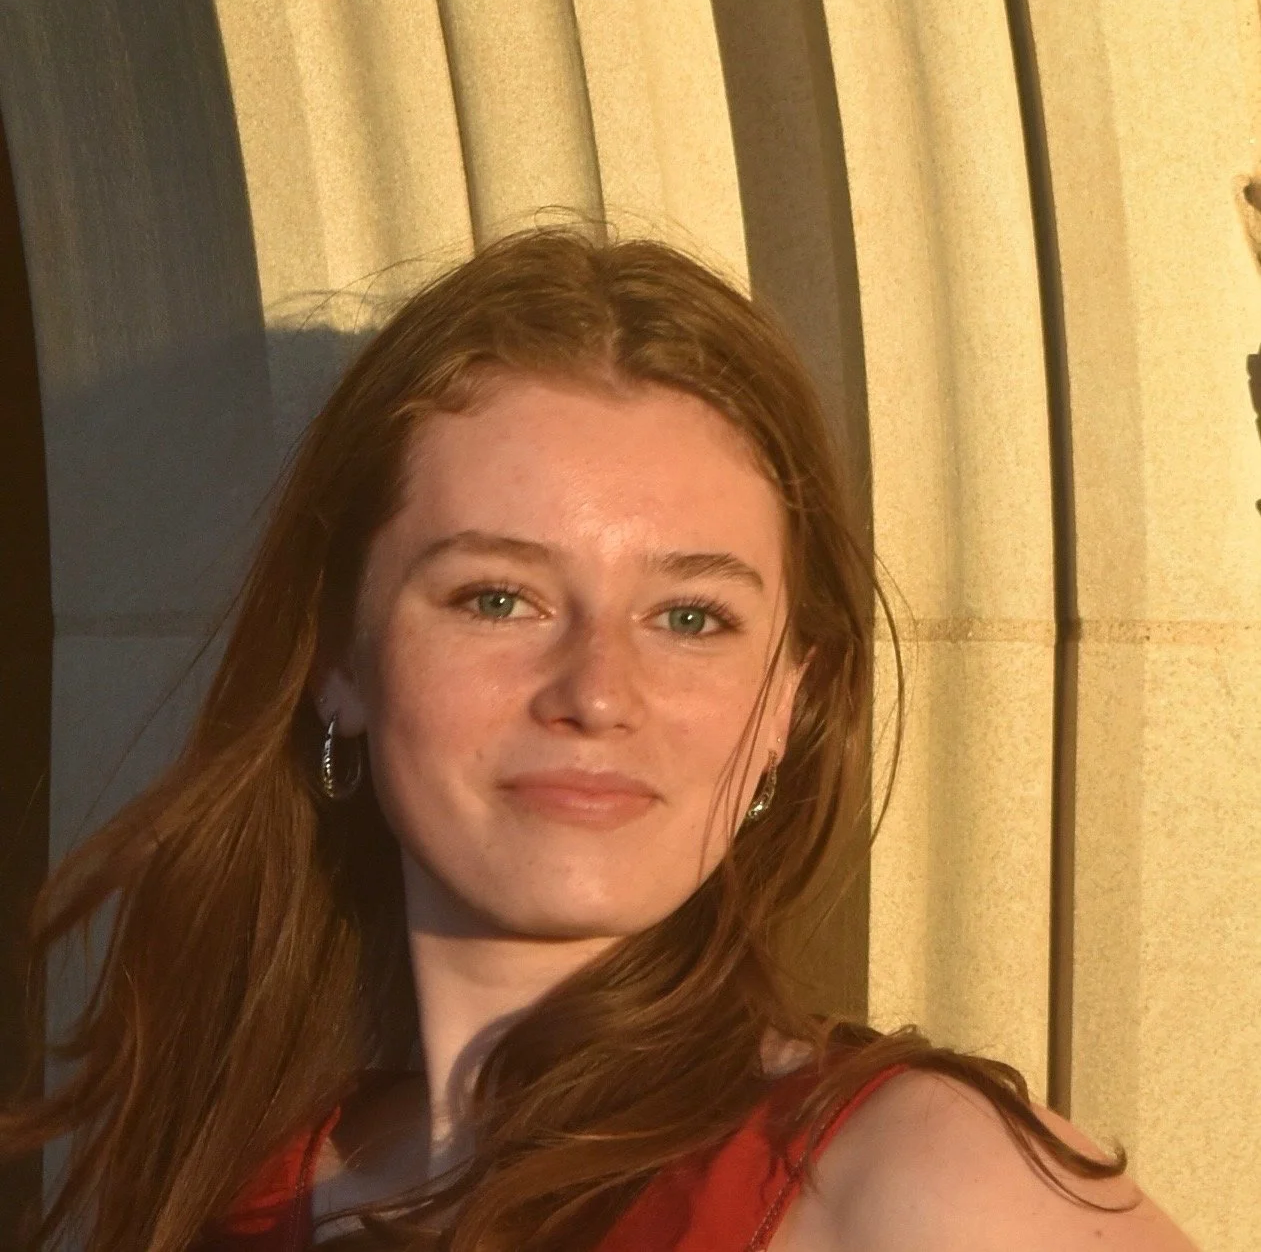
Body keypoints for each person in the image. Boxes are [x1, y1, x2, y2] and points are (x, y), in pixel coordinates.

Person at [1, 228, 1197, 1251]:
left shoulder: (916, 1182)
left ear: (784, 700)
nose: (597, 691)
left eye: (690, 616)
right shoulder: (234, 1177)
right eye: (497, 597)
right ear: (338, 659)